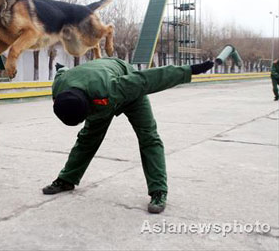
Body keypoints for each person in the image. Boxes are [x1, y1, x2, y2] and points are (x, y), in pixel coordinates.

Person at [42, 58, 214, 213]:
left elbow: (148, 79)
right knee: (87, 138)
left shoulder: (111, 88)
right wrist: (60, 66)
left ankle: (158, 191)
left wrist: (189, 70)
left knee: (149, 137)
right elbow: (62, 72)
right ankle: (66, 180)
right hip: (97, 99)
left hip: (126, 90)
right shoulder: (59, 87)